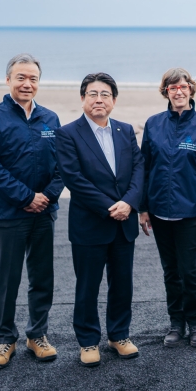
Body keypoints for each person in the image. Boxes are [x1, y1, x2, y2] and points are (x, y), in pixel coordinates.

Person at [0, 53, 64, 369]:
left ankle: (37, 335)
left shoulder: (51, 119)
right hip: (9, 213)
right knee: (8, 279)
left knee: (42, 277)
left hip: (44, 213)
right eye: (21, 77)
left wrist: (47, 197)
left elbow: (63, 165)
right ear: (8, 80)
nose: (27, 84)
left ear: (39, 82)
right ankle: (4, 339)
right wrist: (26, 197)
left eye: (33, 79)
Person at [55, 73, 145, 367]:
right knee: (87, 286)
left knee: (122, 284)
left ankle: (119, 335)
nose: (99, 100)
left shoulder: (125, 130)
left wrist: (129, 202)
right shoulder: (68, 133)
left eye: (105, 94)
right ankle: (88, 341)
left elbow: (139, 170)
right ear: (83, 98)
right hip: (90, 223)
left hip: (124, 222)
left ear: (113, 100)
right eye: (93, 94)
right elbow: (74, 179)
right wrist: (110, 207)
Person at [139, 68, 196, 349]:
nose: (179, 91)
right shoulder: (153, 124)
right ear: (166, 92)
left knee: (188, 271)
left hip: (189, 213)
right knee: (170, 271)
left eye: (183, 86)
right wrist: (143, 208)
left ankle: (195, 322)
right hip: (159, 211)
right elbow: (144, 169)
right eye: (173, 88)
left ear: (191, 89)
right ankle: (176, 323)